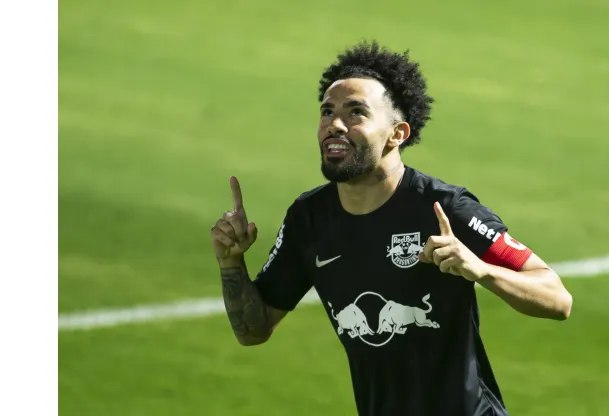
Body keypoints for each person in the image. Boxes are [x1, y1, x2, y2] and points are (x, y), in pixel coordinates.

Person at [210, 40, 573, 416]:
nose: (335, 124)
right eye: (327, 111)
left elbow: (558, 299)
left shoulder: (444, 208)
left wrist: (479, 269)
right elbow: (253, 330)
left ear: (397, 134)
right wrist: (230, 262)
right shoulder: (309, 219)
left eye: (356, 113)